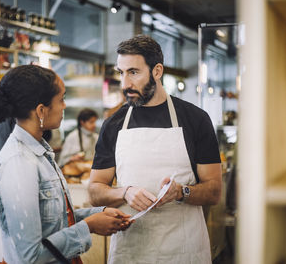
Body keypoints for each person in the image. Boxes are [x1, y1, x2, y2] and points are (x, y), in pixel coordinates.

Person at [0, 65, 131, 264]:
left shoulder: (40, 153)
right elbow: (29, 256)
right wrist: (89, 226)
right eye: (61, 99)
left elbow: (54, 220)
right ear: (41, 110)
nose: (64, 106)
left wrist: (97, 214)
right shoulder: (19, 164)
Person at [88, 35, 222, 264]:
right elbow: (94, 191)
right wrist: (124, 192)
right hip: (131, 251)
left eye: (134, 72)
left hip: (184, 250)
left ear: (157, 71)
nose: (125, 84)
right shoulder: (114, 124)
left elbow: (214, 191)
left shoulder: (195, 119)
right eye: (121, 73)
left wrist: (181, 192)